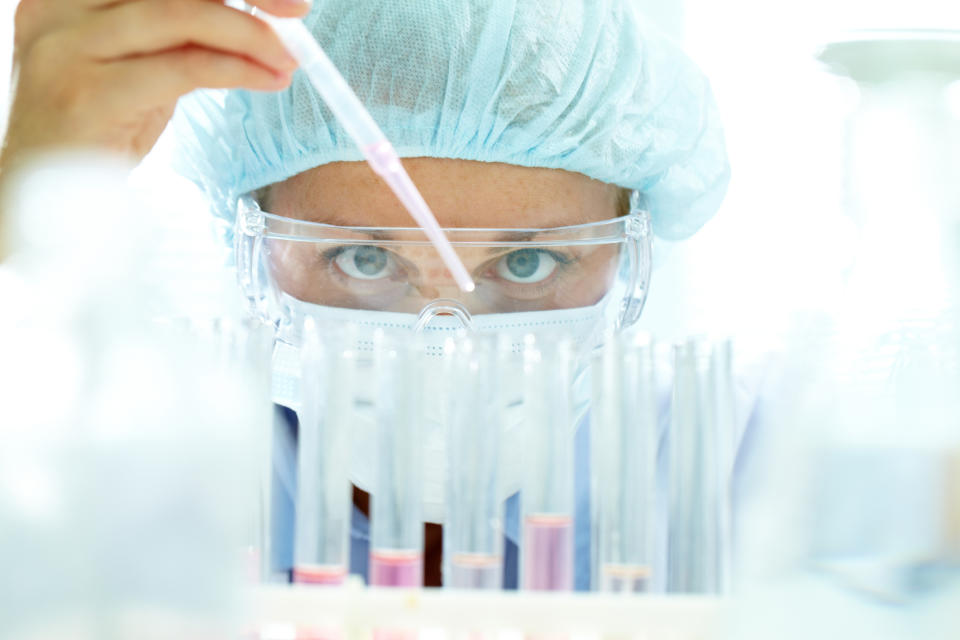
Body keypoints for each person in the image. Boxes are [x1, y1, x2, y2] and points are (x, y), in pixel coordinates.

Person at [2, 0, 731, 588]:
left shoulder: (742, 469)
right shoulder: (132, 464)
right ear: (251, 243)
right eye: (362, 258)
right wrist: (26, 203)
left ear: (626, 252)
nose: (445, 340)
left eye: (531, 263)